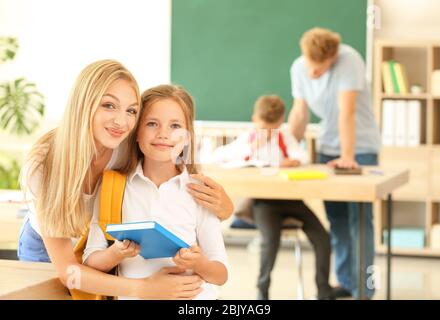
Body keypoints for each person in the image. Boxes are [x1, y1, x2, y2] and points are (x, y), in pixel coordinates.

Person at [18, 60, 233, 299]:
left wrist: (225, 208)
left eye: (131, 110)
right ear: (83, 104)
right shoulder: (43, 164)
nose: (121, 122)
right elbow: (70, 271)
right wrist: (145, 289)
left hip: (96, 246)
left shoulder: (124, 144)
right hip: (50, 249)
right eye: (109, 105)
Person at [83, 84, 228, 300]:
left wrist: (199, 263)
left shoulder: (200, 192)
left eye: (175, 126)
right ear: (136, 133)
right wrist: (115, 253)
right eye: (152, 124)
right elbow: (89, 261)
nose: (163, 134)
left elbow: (221, 275)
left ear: (187, 137)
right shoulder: (113, 186)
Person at [288, 27, 381, 299]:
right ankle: (346, 281)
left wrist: (349, 155)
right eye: (311, 65)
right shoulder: (298, 67)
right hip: (328, 148)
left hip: (360, 148)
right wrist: (291, 151)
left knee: (360, 221)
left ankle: (365, 289)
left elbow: (347, 111)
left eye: (321, 66)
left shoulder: (349, 59)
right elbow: (299, 112)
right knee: (337, 219)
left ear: (333, 56)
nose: (314, 72)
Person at [213, 95, 333, 300]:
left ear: (280, 123)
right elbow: (218, 156)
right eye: (263, 128)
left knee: (322, 237)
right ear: (254, 119)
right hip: (265, 204)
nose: (267, 133)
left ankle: (324, 290)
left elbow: (302, 155)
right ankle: (263, 290)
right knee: (270, 241)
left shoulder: (284, 138)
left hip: (292, 200)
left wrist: (293, 160)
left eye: (272, 128)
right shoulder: (248, 139)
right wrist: (250, 149)